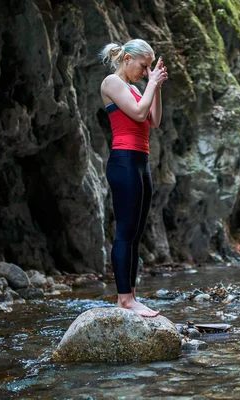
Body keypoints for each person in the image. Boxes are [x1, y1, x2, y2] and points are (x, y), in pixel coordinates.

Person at [99, 39, 168, 317]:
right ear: (127, 59)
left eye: (150, 67)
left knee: (136, 234)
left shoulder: (136, 88)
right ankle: (124, 299)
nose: (146, 71)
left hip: (141, 162)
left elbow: (153, 120)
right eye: (144, 65)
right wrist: (151, 85)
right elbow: (138, 113)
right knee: (125, 231)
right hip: (124, 162)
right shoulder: (111, 83)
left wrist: (156, 86)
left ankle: (132, 295)